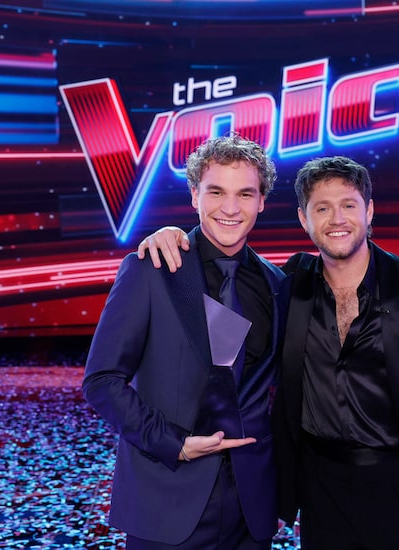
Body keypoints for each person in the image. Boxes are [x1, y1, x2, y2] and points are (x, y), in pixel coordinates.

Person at [137, 156, 399, 549]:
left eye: (348, 205)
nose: (337, 219)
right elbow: (226, 332)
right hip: (320, 491)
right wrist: (175, 236)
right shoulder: (290, 285)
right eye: (322, 208)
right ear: (303, 218)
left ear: (369, 211)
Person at [83, 134, 289, 549]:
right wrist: (174, 444)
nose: (230, 208)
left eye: (245, 194)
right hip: (166, 501)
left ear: (262, 201)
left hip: (251, 510)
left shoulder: (277, 284)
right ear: (195, 194)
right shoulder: (151, 268)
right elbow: (101, 381)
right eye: (216, 192)